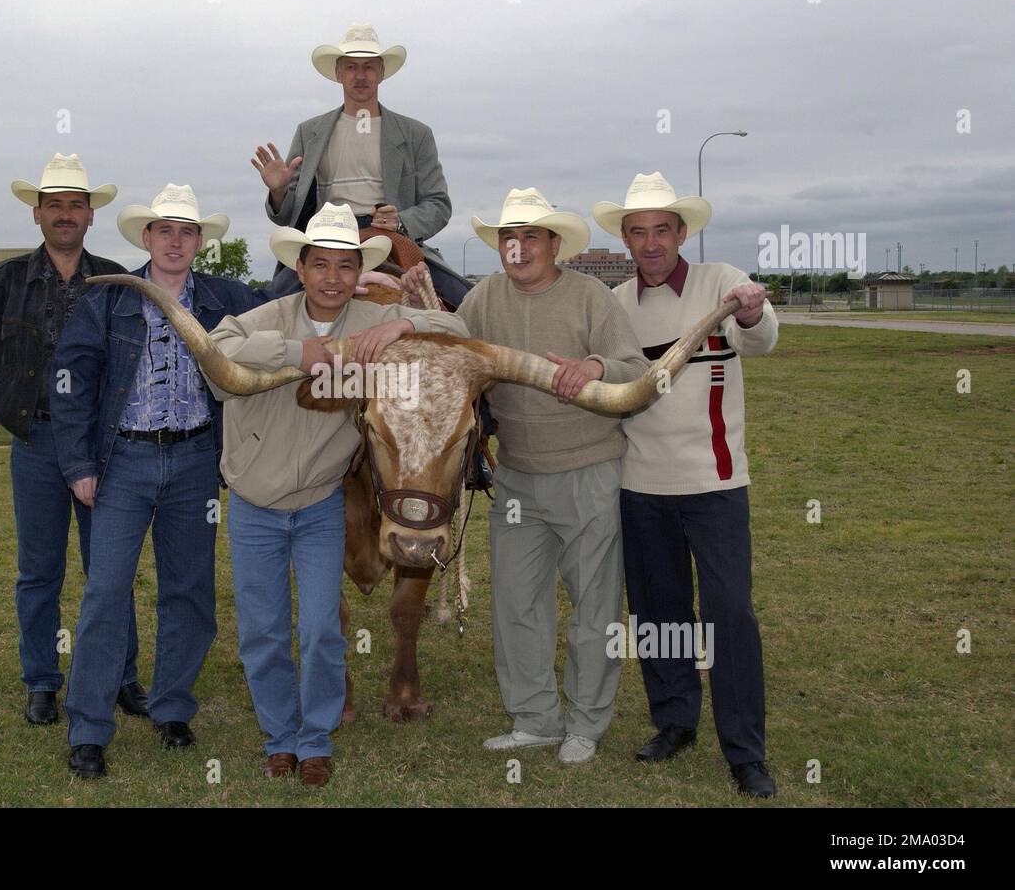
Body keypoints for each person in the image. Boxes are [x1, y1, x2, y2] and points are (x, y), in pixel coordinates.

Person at [206, 203, 467, 786]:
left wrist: (399, 325)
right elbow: (217, 345)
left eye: (345, 266)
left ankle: (316, 738)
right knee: (264, 630)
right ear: (299, 268)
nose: (332, 278)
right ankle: (279, 738)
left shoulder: (367, 322)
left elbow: (461, 330)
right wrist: (299, 354)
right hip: (255, 503)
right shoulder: (267, 316)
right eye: (320, 264)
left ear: (359, 272)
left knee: (321, 627)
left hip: (322, 501)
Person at [403, 187, 647, 763]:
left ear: (554, 244)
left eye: (530, 237)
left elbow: (634, 369)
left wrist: (595, 366)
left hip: (589, 470)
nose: (518, 249)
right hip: (514, 474)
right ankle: (534, 718)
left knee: (593, 606)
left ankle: (585, 723)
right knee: (516, 604)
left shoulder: (591, 297)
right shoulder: (485, 298)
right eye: (508, 239)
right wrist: (412, 311)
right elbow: (449, 349)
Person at [51, 184, 264, 779]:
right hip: (123, 463)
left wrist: (372, 284)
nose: (175, 241)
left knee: (190, 589)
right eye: (164, 230)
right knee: (105, 593)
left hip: (196, 460)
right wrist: (79, 465)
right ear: (145, 238)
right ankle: (89, 728)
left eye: (187, 231)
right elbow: (70, 381)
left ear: (200, 242)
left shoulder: (225, 300)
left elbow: (293, 296)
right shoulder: (109, 301)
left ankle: (172, 708)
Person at [0, 153, 140, 727]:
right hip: (37, 444)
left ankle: (121, 675)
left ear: (92, 215)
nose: (66, 215)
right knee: (39, 571)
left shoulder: (114, 283)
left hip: (104, 448)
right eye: (56, 205)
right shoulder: (2, 283)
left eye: (77, 205)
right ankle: (43, 681)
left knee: (110, 568)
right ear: (37, 215)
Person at [595, 171, 778, 797]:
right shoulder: (615, 305)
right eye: (638, 232)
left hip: (716, 482)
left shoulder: (720, 282)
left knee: (729, 613)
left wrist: (752, 314)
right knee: (658, 613)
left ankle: (745, 751)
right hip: (640, 486)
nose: (651, 244)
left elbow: (763, 339)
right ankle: (674, 722)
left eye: (662, 231)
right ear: (625, 239)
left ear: (681, 233)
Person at [251, 22, 470, 308]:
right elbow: (286, 216)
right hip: (326, 234)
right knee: (267, 306)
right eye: (352, 67)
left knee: (467, 302)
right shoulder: (310, 132)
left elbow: (439, 204)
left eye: (368, 67)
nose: (360, 75)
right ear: (338, 73)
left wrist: (402, 221)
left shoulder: (416, 135)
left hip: (392, 235)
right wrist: (279, 192)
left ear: (381, 73)